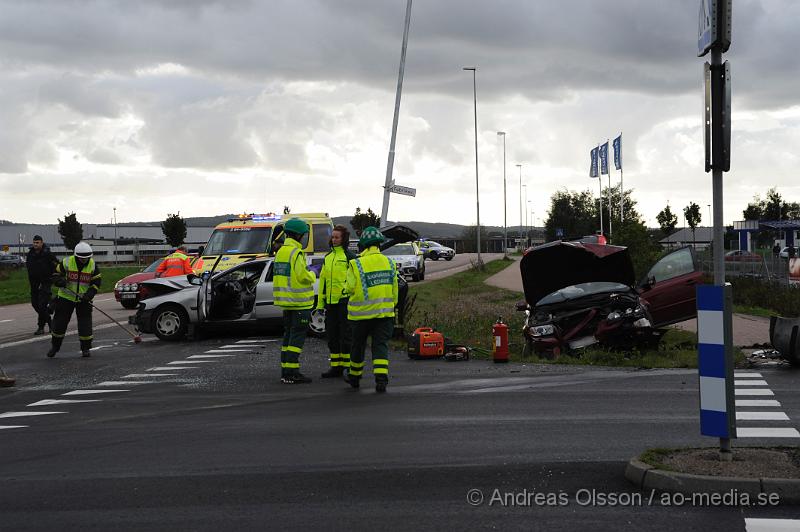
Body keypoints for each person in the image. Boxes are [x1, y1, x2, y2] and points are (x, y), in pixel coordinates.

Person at [344, 226, 398, 393]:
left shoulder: (355, 263)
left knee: (358, 346)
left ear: (364, 245)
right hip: (384, 314)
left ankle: (354, 377)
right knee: (380, 345)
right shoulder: (390, 263)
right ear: (379, 244)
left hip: (360, 316)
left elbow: (350, 288)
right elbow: (394, 290)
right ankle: (381, 380)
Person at [273, 218, 317, 384]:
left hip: (286, 302)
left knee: (288, 337)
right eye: (304, 235)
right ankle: (292, 372)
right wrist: (313, 273)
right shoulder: (296, 253)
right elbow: (303, 276)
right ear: (298, 235)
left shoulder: (282, 252)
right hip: (299, 302)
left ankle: (285, 371)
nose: (304, 237)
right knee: (296, 339)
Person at [47, 242, 102, 358]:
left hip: (83, 299)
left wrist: (90, 294)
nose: (84, 260)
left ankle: (85, 348)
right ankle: (55, 347)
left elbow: (96, 282)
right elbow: (55, 274)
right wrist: (58, 280)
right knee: (59, 324)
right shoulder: (67, 262)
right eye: (82, 258)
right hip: (65, 297)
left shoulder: (92, 265)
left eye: (87, 258)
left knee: (85, 324)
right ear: (76, 256)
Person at [317, 225, 356, 378]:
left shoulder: (350, 257)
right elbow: (323, 283)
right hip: (331, 303)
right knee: (332, 336)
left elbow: (355, 281)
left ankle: (348, 367)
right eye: (332, 237)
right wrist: (320, 304)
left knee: (346, 336)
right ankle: (336, 367)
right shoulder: (328, 257)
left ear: (344, 239)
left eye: (337, 237)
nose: (334, 240)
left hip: (345, 302)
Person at [26, 235, 57, 335]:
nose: (35, 244)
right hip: (34, 282)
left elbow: (57, 265)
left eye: (37, 242)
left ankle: (41, 327)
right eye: (34, 242)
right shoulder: (30, 254)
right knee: (35, 304)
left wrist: (54, 276)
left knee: (42, 304)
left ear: (42, 243)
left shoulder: (47, 254)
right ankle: (49, 320)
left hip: (45, 281)